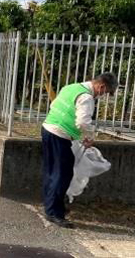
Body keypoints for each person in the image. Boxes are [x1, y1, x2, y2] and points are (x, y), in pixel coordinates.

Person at [41, 72, 118, 228]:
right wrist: (89, 137)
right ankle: (54, 212)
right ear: (101, 86)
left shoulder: (71, 87)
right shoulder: (87, 98)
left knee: (51, 170)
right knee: (63, 174)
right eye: (105, 92)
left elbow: (53, 105)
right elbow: (83, 121)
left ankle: (52, 205)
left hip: (48, 129)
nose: (103, 95)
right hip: (59, 134)